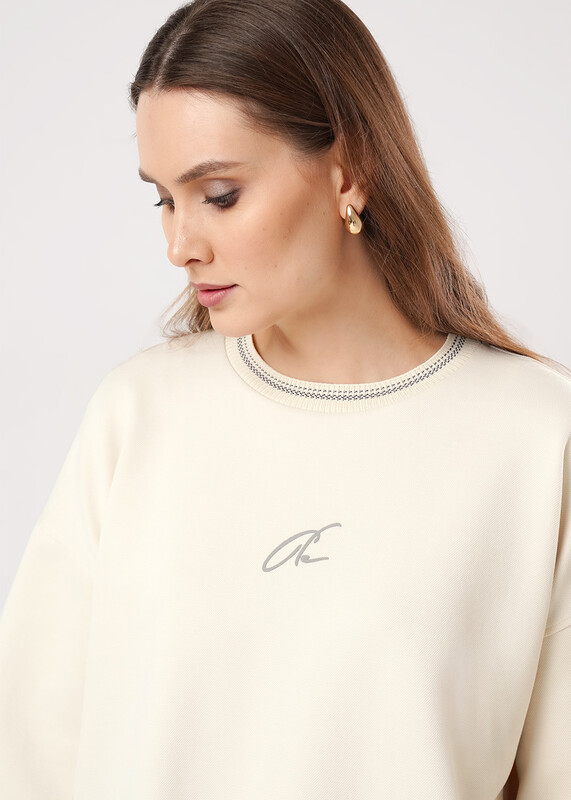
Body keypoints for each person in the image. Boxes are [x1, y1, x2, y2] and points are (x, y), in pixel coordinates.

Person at [0, 0, 569, 797]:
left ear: (349, 168)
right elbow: (30, 757)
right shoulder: (138, 414)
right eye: (163, 199)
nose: (179, 244)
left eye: (219, 194)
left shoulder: (535, 436)